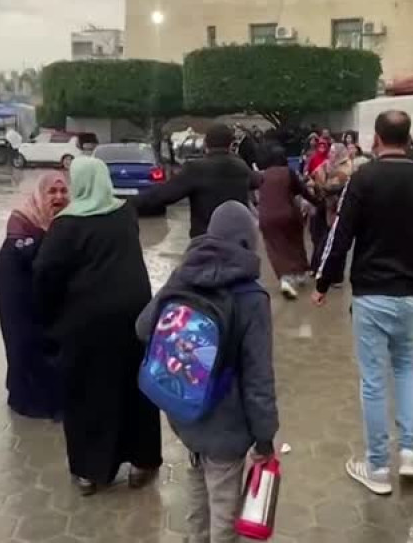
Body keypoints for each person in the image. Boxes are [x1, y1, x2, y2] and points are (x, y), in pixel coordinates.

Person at [313, 110, 413, 495]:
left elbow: (341, 235)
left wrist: (324, 281)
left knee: (374, 382)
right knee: (405, 370)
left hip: (372, 294)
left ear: (376, 138)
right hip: (410, 294)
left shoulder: (364, 178)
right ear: (410, 137)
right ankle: (409, 453)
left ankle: (376, 467)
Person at [135, 201, 278, 542]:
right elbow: (259, 378)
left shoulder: (186, 273)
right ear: (247, 242)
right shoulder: (252, 297)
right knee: (225, 507)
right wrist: (265, 435)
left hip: (185, 410)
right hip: (227, 426)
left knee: (198, 483)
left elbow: (143, 327)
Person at [33, 157, 161, 495]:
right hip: (134, 315)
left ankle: (92, 471)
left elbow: (45, 276)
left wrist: (48, 321)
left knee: (87, 393)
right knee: (136, 388)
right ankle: (143, 462)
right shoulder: (124, 213)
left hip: (86, 323)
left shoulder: (67, 224)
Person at [0, 171, 70, 419]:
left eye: (63, 191)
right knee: (23, 341)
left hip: (45, 288)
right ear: (40, 194)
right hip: (18, 288)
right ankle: (26, 400)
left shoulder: (64, 222)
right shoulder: (22, 220)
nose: (58, 197)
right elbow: (25, 256)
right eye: (52, 191)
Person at [133, 124, 261, 239]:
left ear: (206, 143)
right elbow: (257, 181)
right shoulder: (240, 166)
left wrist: (127, 203)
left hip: (206, 240)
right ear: (231, 144)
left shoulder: (196, 168)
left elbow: (164, 195)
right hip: (239, 240)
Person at [256, 146, 319, 300]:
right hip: (288, 214)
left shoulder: (261, 176)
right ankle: (301, 273)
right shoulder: (288, 173)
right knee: (295, 242)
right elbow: (303, 191)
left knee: (275, 247)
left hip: (266, 217)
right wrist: (318, 202)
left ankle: (285, 279)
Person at [308, 142, 354, 284]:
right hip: (322, 206)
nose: (330, 155)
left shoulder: (345, 168)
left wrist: (316, 183)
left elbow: (331, 186)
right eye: (331, 152)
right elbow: (312, 175)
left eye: (334, 152)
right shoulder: (327, 164)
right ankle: (316, 267)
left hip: (336, 209)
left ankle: (335, 276)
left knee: (334, 242)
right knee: (317, 237)